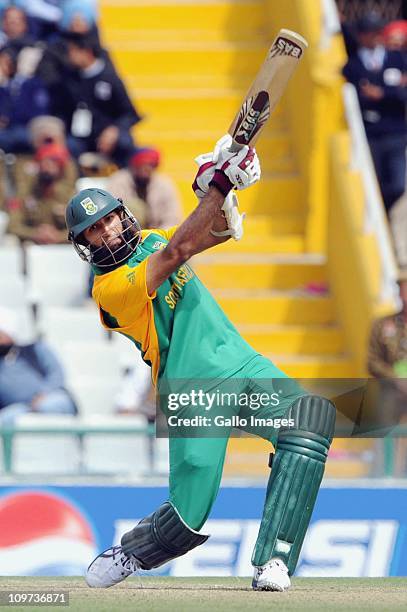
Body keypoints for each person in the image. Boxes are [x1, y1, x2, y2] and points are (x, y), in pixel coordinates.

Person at [65, 136, 335, 591]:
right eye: (96, 228)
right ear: (85, 243)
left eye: (110, 218)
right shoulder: (109, 291)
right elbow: (178, 253)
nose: (108, 230)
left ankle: (274, 560)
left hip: (242, 364)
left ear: (124, 214)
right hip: (192, 390)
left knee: (309, 423)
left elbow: (212, 233)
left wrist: (217, 185)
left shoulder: (149, 238)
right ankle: (130, 551)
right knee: (186, 520)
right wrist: (220, 183)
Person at [343, 14, 407, 212]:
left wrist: (382, 94)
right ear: (361, 36)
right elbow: (351, 98)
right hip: (370, 133)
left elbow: (402, 93)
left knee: (397, 184)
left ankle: (387, 211)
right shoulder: (352, 66)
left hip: (396, 131)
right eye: (371, 33)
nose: (376, 37)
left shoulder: (397, 58)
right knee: (374, 182)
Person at [56, 32, 141, 167]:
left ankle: (125, 183)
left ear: (86, 52)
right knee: (66, 147)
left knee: (125, 143)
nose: (69, 56)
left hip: (108, 133)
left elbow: (130, 114)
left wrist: (114, 130)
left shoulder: (109, 78)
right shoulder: (69, 79)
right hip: (81, 135)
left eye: (73, 51)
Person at [0, 306, 77, 425]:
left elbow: (56, 374)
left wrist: (43, 394)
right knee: (5, 419)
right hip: (19, 409)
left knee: (50, 406)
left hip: (50, 397)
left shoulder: (34, 349)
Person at [367, 269, 407, 475]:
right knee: (384, 434)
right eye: (404, 288)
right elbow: (372, 361)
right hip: (392, 390)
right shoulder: (383, 325)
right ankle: (383, 476)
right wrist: (396, 379)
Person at [6, 142, 76, 243]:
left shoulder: (70, 196)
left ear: (61, 168)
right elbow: (13, 226)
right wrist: (35, 234)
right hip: (32, 246)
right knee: (10, 241)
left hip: (62, 247)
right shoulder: (25, 193)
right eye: (44, 161)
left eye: (54, 162)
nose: (47, 166)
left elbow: (82, 229)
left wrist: (58, 236)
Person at [107, 147, 182, 230]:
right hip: (127, 233)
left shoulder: (164, 184)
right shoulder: (119, 181)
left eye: (151, 165)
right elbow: (111, 213)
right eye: (142, 164)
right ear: (133, 165)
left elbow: (173, 218)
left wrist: (159, 235)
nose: (147, 168)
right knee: (135, 207)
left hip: (158, 235)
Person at [0, 45, 50, 153]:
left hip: (24, 127)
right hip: (7, 128)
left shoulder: (35, 85)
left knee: (17, 136)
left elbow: (38, 112)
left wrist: (8, 119)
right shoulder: (6, 85)